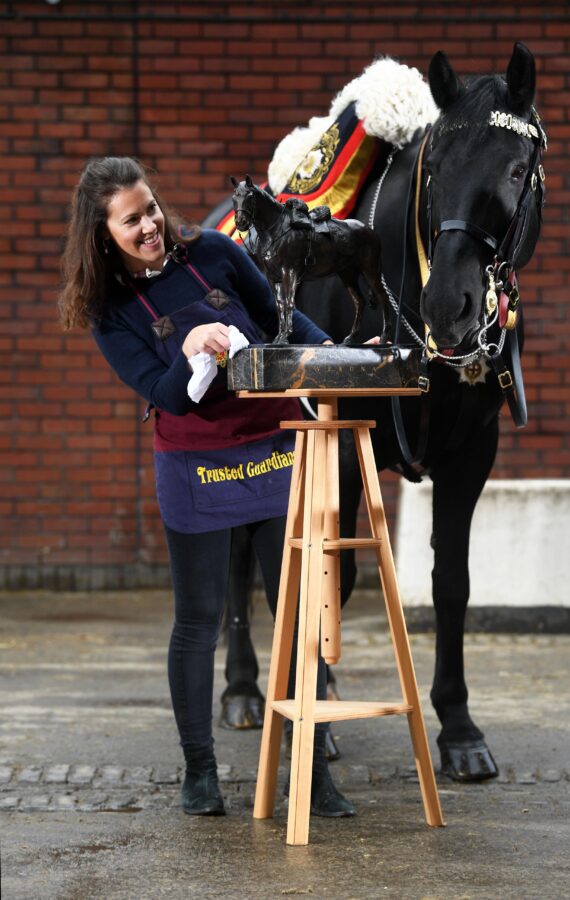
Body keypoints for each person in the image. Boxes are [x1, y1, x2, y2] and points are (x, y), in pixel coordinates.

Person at [58, 156, 355, 818]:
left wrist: (337, 356)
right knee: (197, 620)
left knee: (297, 615)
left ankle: (311, 769)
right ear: (103, 234)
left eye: (152, 209)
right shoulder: (110, 311)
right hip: (196, 465)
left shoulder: (217, 253)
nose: (150, 226)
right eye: (131, 221)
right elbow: (164, 395)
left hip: (276, 446)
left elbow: (283, 324)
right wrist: (192, 347)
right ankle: (200, 771)